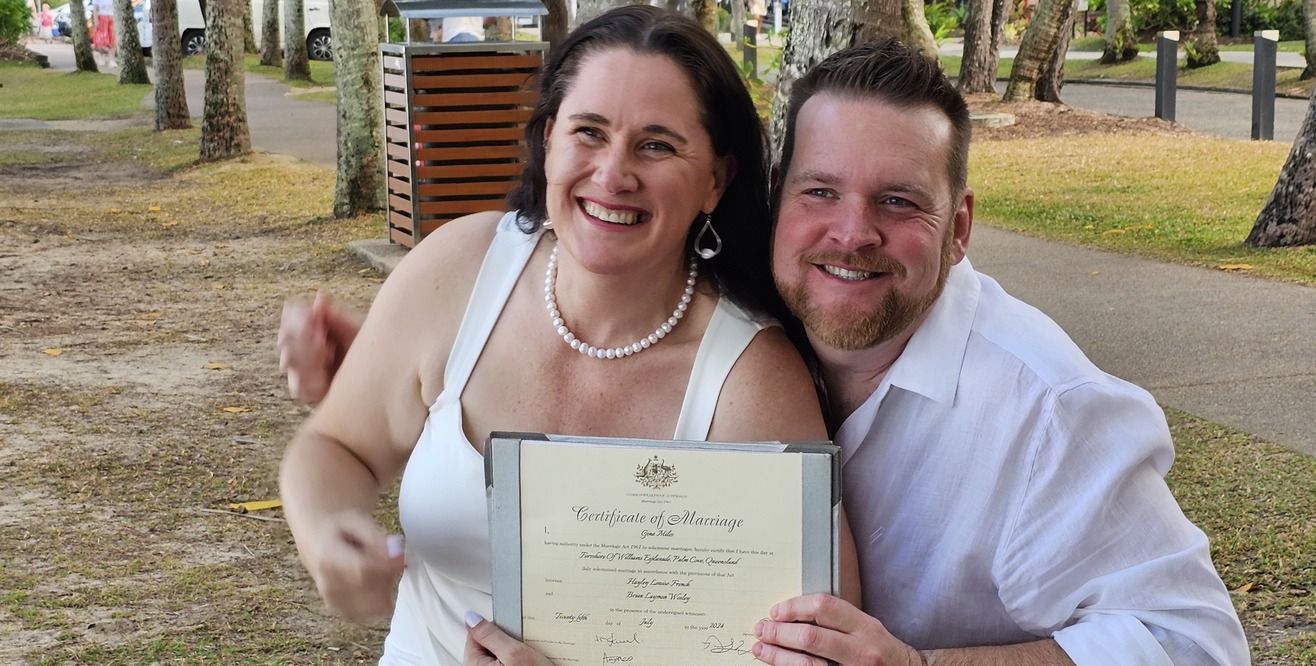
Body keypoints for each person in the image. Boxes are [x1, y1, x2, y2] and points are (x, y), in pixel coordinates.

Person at [282, 41, 1248, 666]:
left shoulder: (1044, 408)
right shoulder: (482, 276)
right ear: (774, 202)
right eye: (821, 192)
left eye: (900, 203)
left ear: (960, 230)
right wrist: (405, 405)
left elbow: (1194, 643)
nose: (850, 234)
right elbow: (392, 438)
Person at [277, 7, 859, 666]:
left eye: (657, 144)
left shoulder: (750, 380)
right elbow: (335, 447)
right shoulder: (458, 271)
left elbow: (820, 644)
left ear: (715, 181)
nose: (613, 174)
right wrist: (328, 535)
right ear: (549, 139)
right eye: (589, 131)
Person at [91, 0, 115, 68]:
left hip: (112, 18)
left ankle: (112, 60)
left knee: (112, 38)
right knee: (101, 40)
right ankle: (101, 57)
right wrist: (96, 21)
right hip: (102, 18)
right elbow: (95, 8)